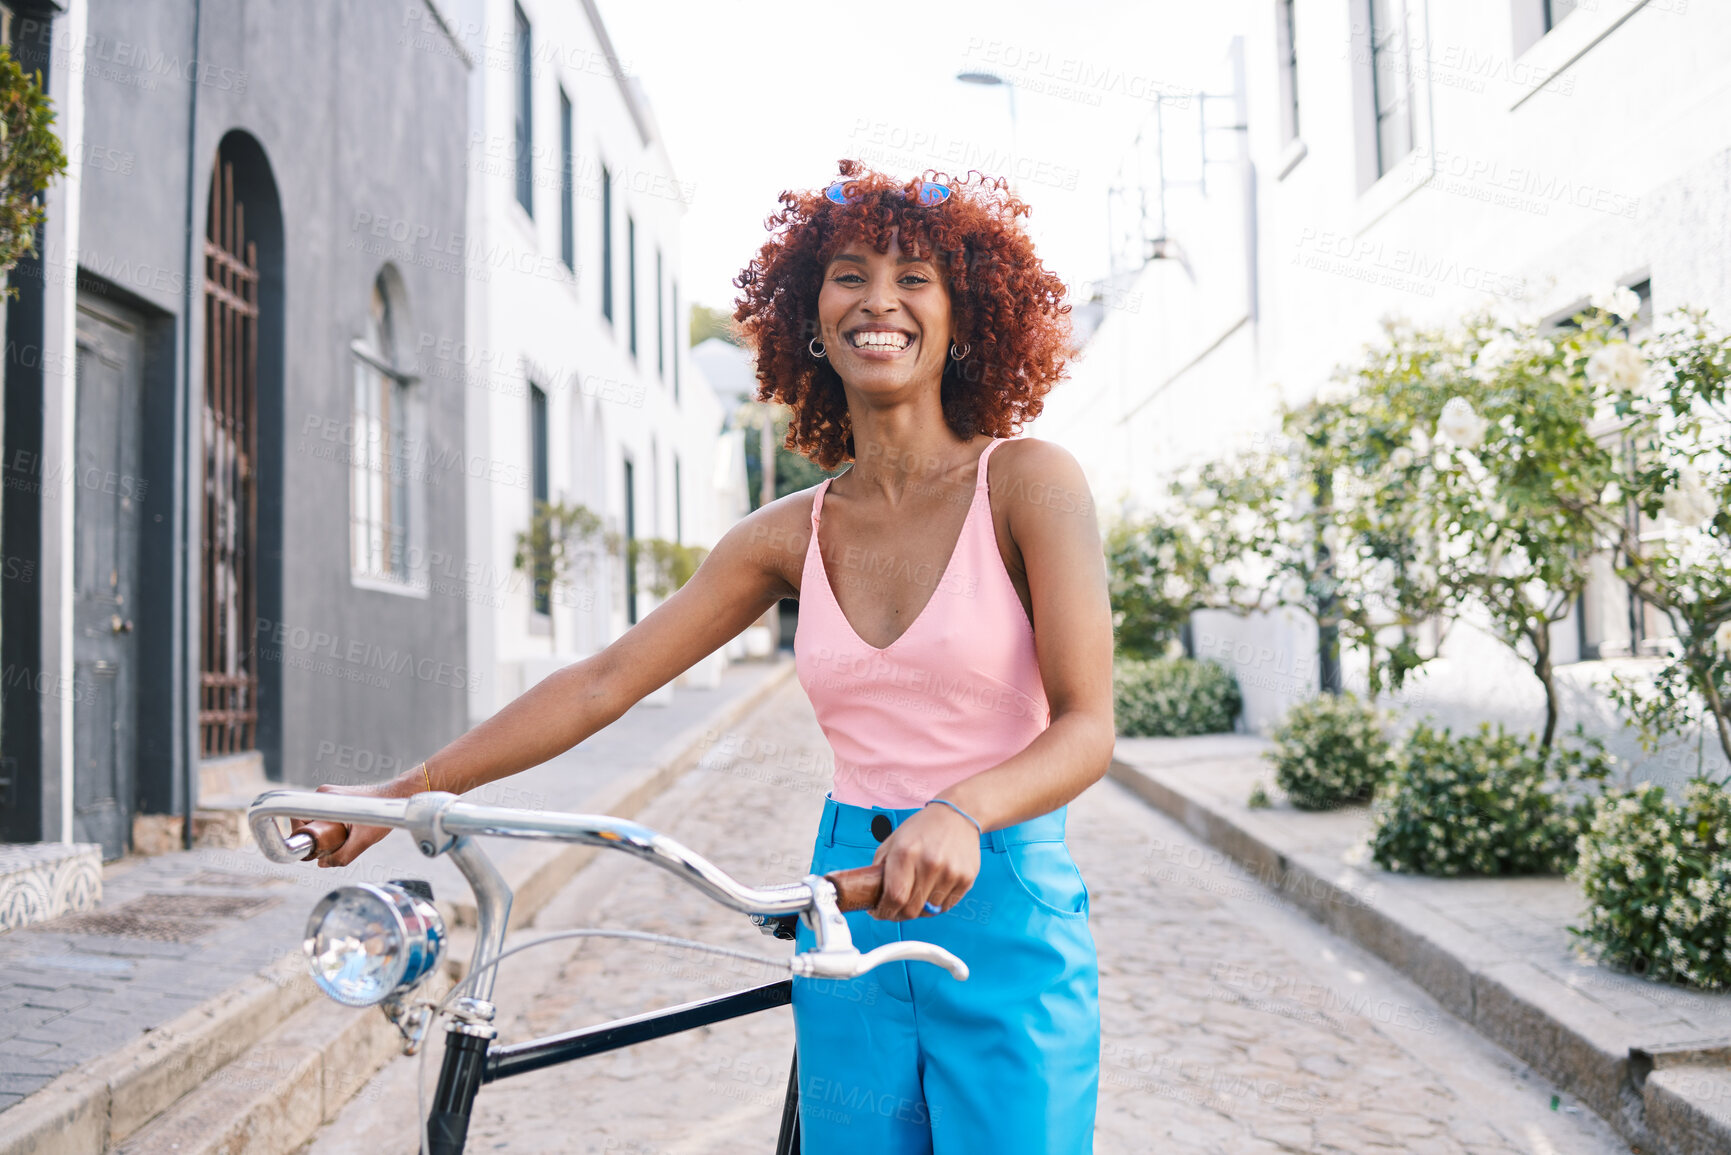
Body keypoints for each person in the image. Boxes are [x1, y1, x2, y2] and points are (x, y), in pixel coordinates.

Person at [299, 159, 1114, 1153]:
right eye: (850, 274)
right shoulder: (785, 535)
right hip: (844, 904)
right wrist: (403, 793)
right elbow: (603, 682)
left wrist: (963, 808)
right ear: (809, 318)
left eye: (916, 278)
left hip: (1004, 906)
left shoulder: (1028, 482)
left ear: (964, 315)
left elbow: (1086, 727)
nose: (880, 301)